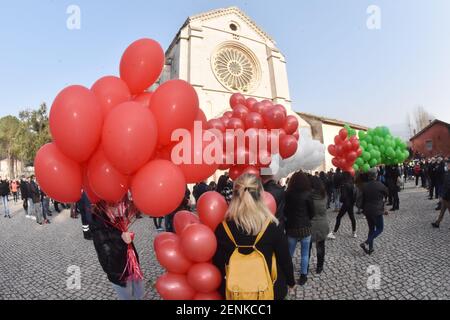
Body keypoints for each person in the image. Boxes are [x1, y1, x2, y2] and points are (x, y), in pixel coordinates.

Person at [212, 174, 295, 300]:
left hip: (235, 293)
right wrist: (291, 282)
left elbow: (218, 263)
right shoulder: (272, 227)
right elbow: (285, 260)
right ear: (261, 195)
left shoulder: (223, 229)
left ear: (235, 196)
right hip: (269, 291)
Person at [91, 198, 144, 300]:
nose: (124, 207)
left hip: (132, 266)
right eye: (120, 204)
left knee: (140, 293)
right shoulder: (98, 223)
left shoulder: (117, 218)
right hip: (119, 273)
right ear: (108, 206)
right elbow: (106, 252)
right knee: (127, 297)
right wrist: (121, 238)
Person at [284, 171, 315, 286]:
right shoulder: (308, 194)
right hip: (305, 228)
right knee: (305, 254)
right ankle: (303, 276)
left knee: (289, 254)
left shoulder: (287, 194)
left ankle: (287, 275)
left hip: (291, 228)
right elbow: (312, 212)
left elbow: (285, 211)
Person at [360, 168, 388, 255]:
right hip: (377, 211)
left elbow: (362, 199)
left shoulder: (364, 186)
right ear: (376, 175)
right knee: (380, 228)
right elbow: (387, 193)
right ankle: (366, 243)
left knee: (371, 229)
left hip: (367, 211)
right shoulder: (380, 185)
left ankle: (371, 248)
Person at [308, 176, 329, 274]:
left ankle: (306, 266)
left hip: (310, 224)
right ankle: (319, 267)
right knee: (321, 246)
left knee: (307, 246)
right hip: (323, 223)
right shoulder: (324, 195)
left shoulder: (309, 197)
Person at [328, 172, 357, 239]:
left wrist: (341, 200)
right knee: (352, 217)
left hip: (346, 203)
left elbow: (343, 196)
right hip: (351, 203)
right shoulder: (352, 184)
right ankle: (354, 232)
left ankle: (334, 232)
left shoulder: (344, 184)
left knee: (338, 217)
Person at [431, 159, 450, 228]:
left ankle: (437, 223)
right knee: (442, 211)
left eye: (448, 164)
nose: (447, 165)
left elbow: (448, 186)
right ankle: (437, 223)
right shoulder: (447, 172)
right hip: (445, 196)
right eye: (447, 164)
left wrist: (444, 195)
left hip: (448, 196)